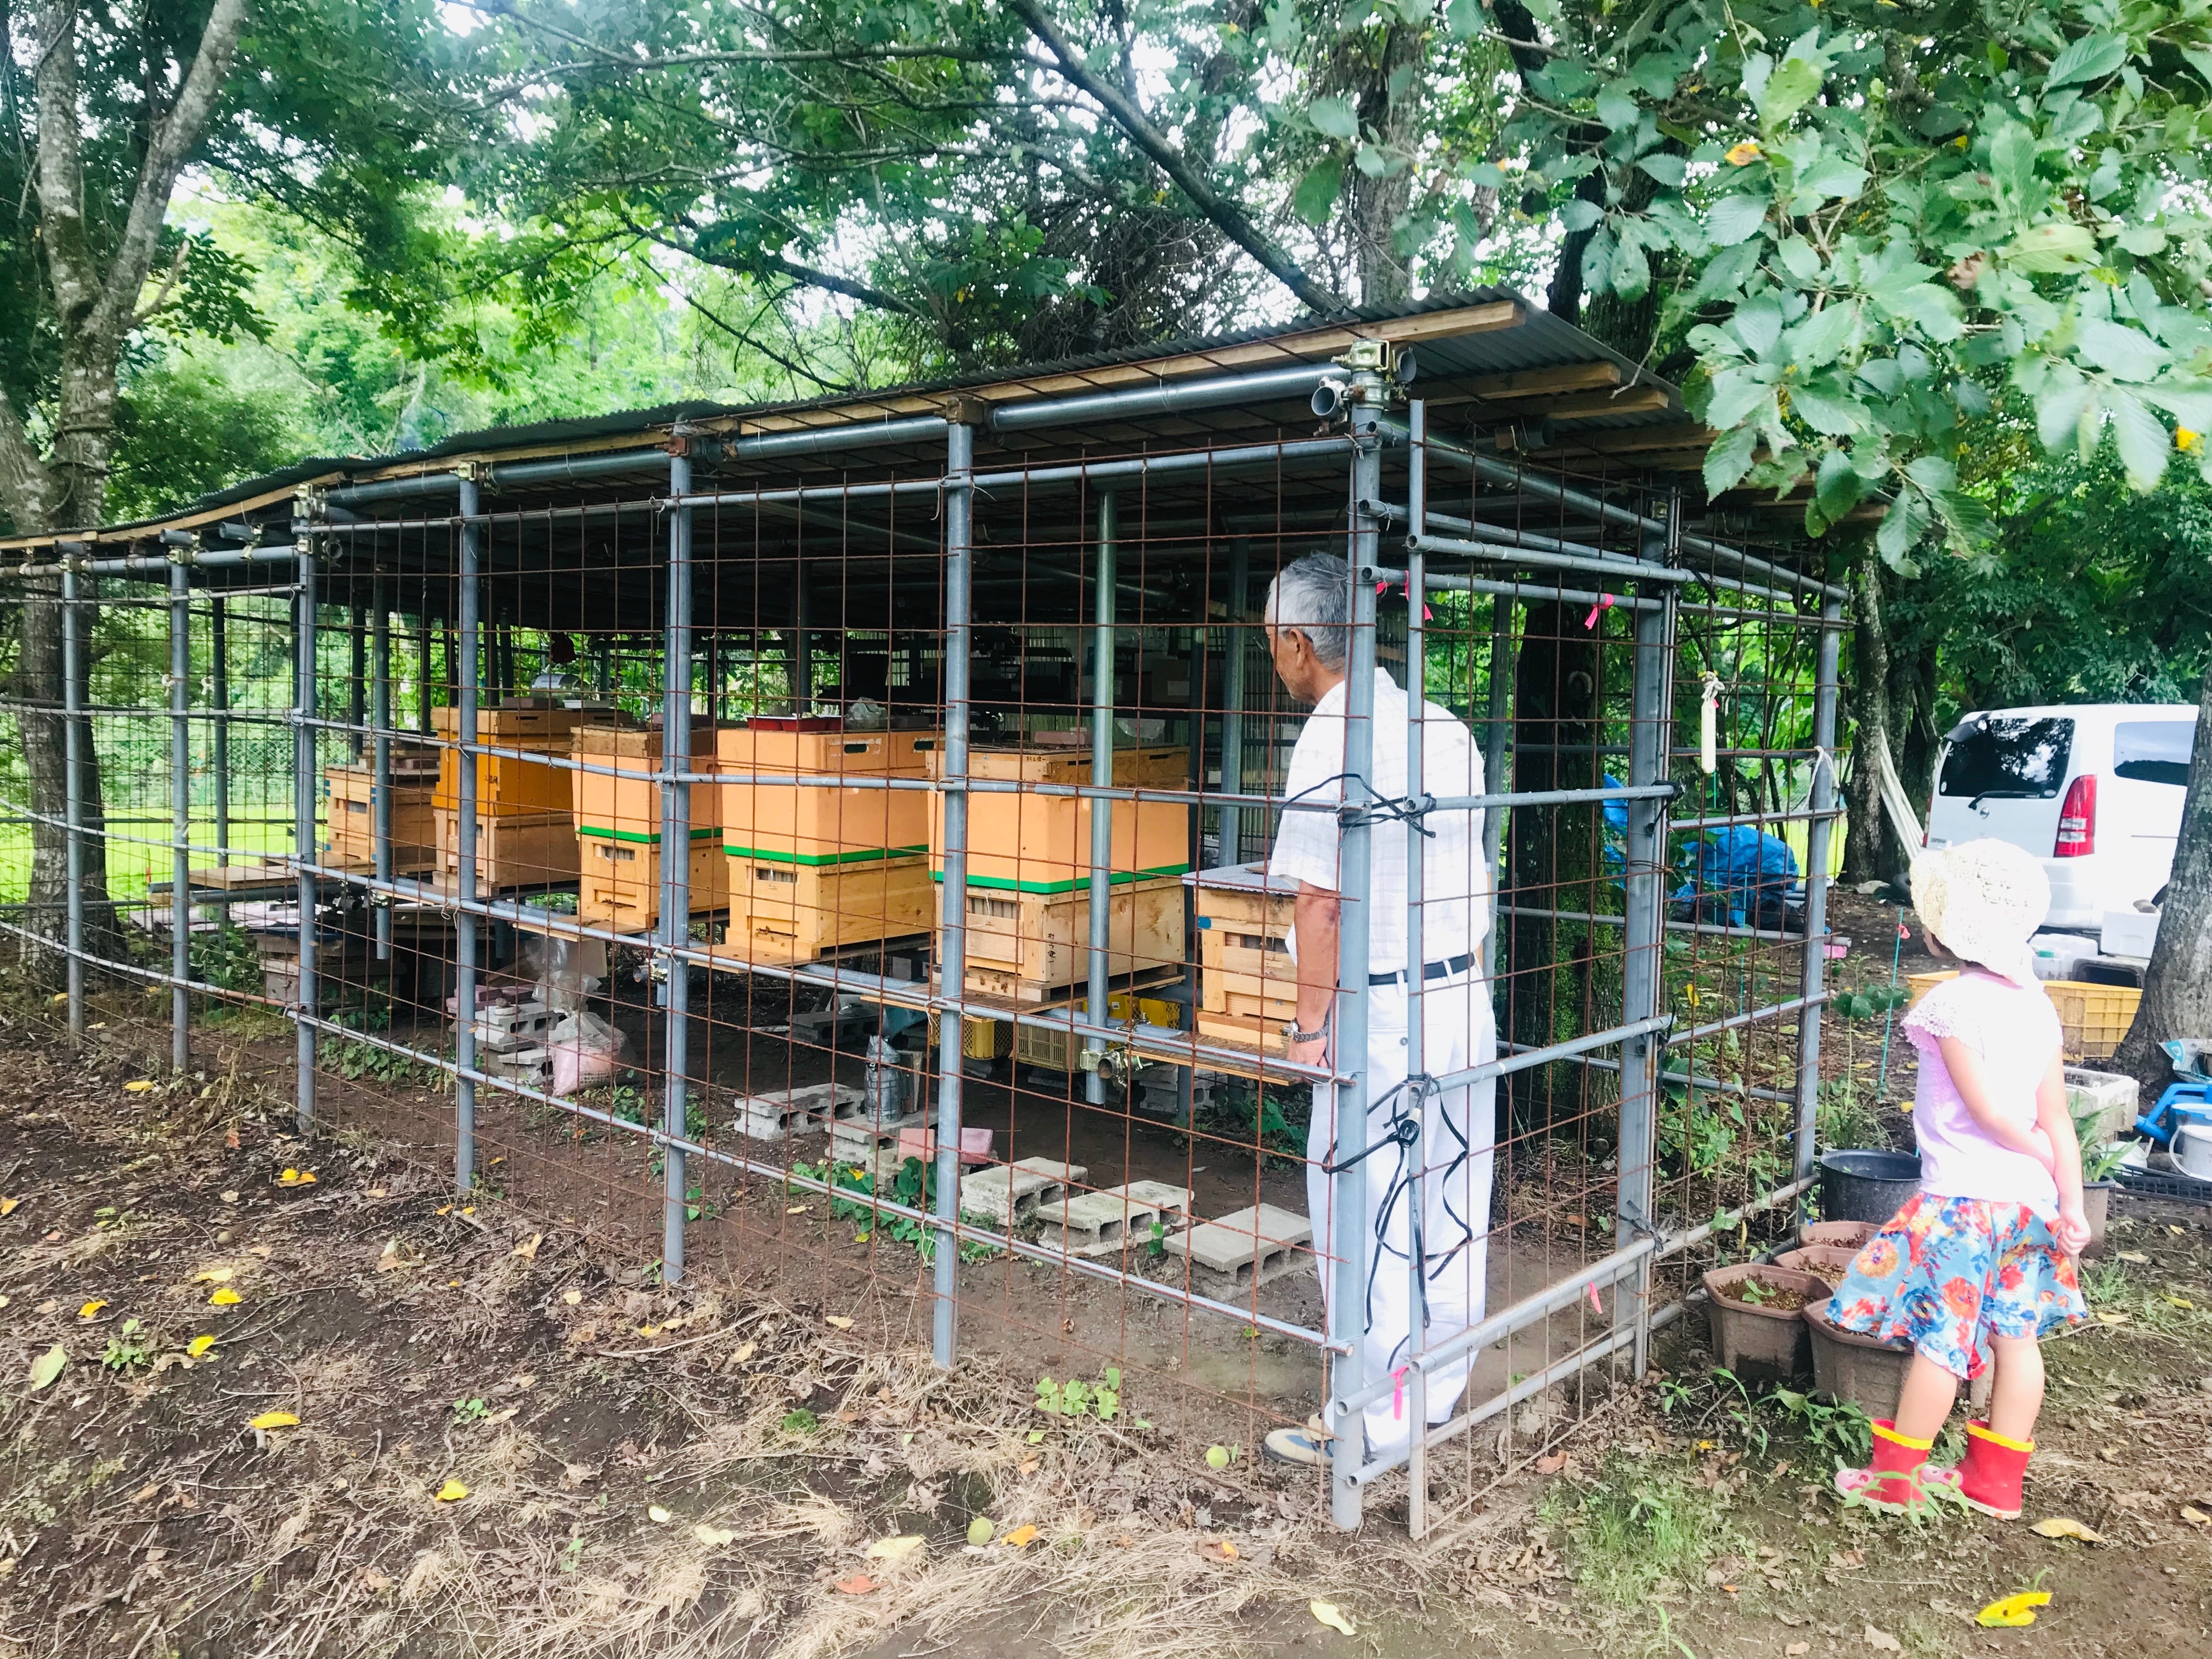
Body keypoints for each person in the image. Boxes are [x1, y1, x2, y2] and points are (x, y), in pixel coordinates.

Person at [1253, 554, 1496, 1470]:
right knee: (1453, 1193)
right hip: (1459, 995)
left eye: (1271, 642)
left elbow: (1320, 902)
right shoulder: (1445, 726)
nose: (1274, 658)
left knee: (1363, 1208)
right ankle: (1435, 1393)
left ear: (1298, 641)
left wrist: (1311, 1027)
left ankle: (1370, 1420)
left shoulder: (1332, 736)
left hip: (1381, 1006)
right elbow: (1476, 871)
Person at [1829, 838, 2091, 1517]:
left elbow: (1990, 1114)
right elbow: (2056, 1115)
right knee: (2018, 1339)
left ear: (1941, 935)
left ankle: (1894, 1482)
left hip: (1964, 1207)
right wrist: (2069, 1199)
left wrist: (2033, 1149)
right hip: (2029, 1209)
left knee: (1941, 1343)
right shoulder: (2038, 1006)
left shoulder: (1951, 1006)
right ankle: (1995, 1484)